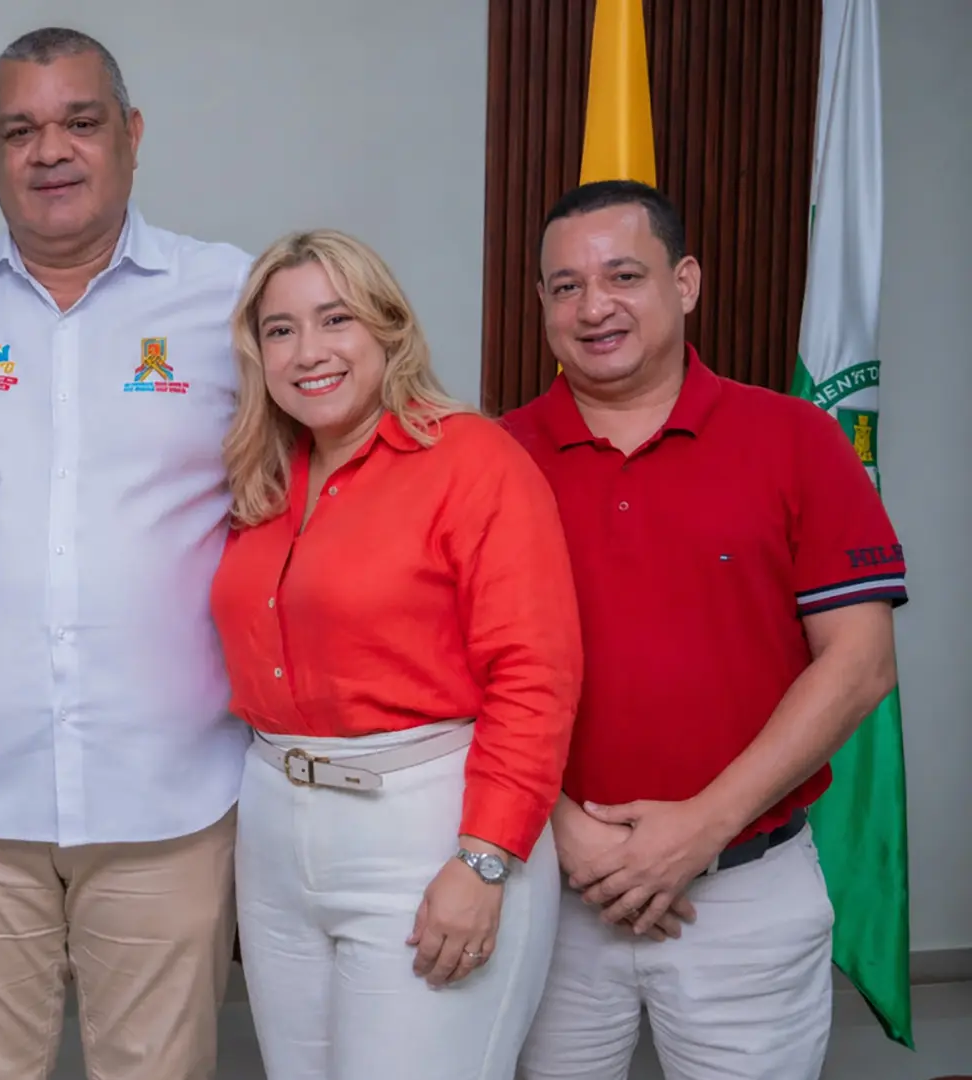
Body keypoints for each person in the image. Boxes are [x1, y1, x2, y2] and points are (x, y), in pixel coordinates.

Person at [0, 26, 252, 1080]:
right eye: (19, 130)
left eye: (79, 122)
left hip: (172, 793)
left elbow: (321, 489)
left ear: (129, 134)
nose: (50, 151)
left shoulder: (233, 300)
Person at [502, 180, 906, 1080]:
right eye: (564, 286)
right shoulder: (494, 457)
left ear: (684, 283)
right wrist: (560, 825)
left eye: (622, 275)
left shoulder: (797, 438)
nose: (593, 306)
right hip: (553, 887)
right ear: (540, 304)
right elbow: (459, 674)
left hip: (745, 893)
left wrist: (700, 830)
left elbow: (861, 663)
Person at [207, 228, 582, 1079]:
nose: (309, 352)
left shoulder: (472, 459)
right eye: (280, 330)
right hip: (275, 827)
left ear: (387, 326)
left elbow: (535, 676)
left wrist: (483, 861)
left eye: (334, 319)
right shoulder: (263, 478)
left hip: (425, 828)